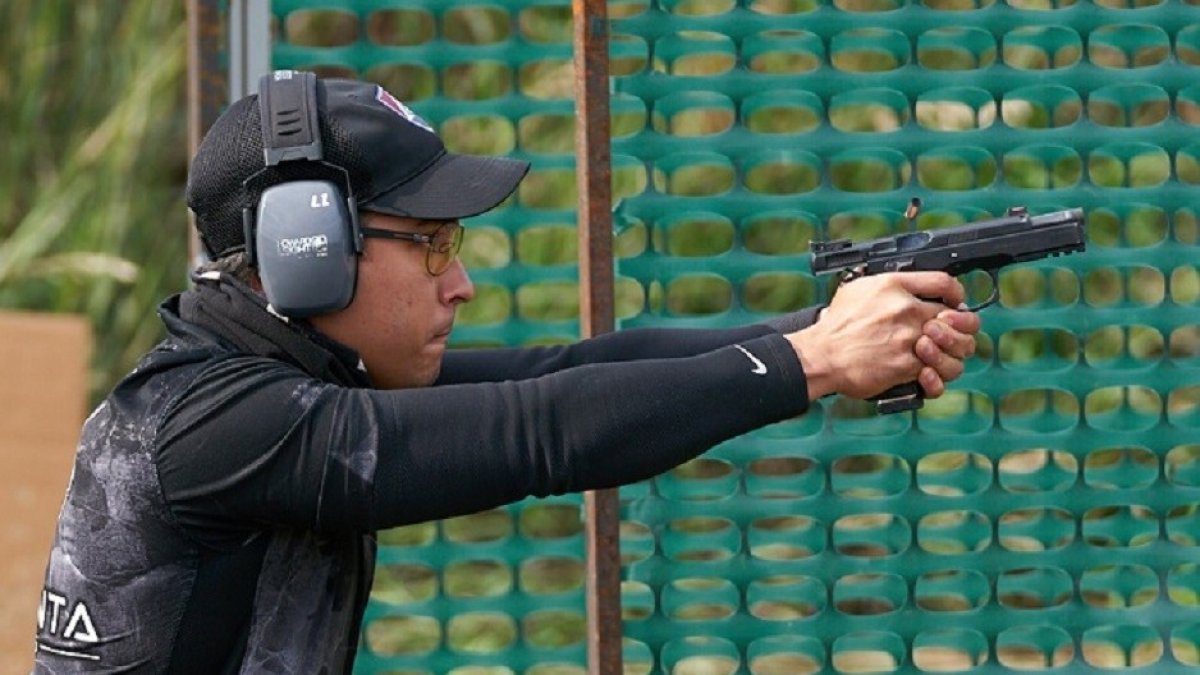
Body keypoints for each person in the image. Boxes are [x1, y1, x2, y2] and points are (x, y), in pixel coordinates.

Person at [34, 74, 979, 674]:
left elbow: (565, 370)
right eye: (434, 242)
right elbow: (543, 430)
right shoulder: (211, 423)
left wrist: (835, 324)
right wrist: (813, 360)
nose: (464, 282)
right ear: (307, 251)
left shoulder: (279, 382)